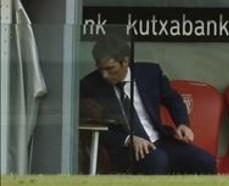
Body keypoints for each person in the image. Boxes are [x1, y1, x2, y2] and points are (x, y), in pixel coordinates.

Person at [79, 35, 216, 175]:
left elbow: (173, 99)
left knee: (206, 161)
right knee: (158, 160)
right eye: (100, 69)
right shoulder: (90, 85)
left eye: (110, 68)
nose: (104, 75)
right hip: (125, 149)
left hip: (160, 140)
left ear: (125, 61)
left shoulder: (150, 73)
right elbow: (91, 127)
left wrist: (183, 124)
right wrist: (128, 140)